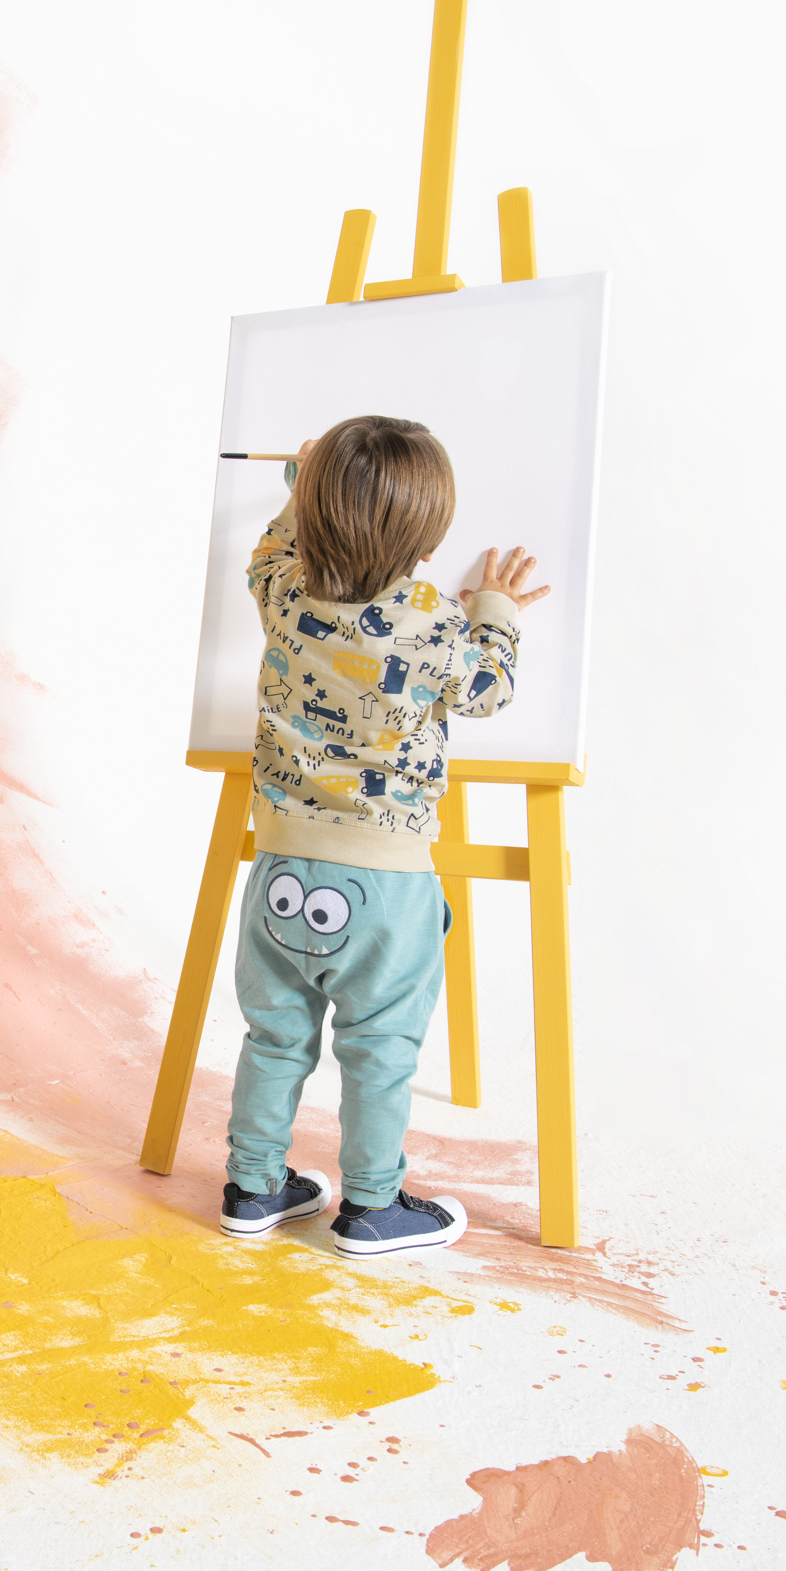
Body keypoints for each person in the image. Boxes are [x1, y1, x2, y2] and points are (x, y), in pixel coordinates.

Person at [218, 414, 547, 1258]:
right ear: (430, 545)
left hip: (279, 870)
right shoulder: (434, 623)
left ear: (314, 517)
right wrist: (497, 610)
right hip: (387, 888)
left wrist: (299, 494)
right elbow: (488, 689)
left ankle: (253, 1187)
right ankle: (370, 1206)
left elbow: (265, 554)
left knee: (275, 1036)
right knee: (378, 1049)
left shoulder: (285, 594)